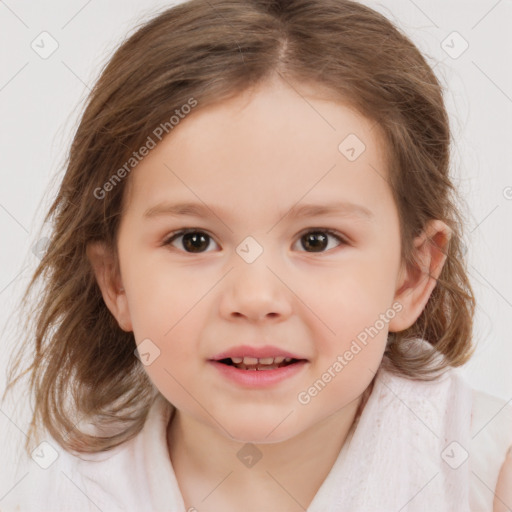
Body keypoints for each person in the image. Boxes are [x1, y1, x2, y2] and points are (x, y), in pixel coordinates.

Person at [2, 0, 511, 510]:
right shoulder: (59, 488)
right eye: (193, 240)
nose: (255, 297)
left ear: (411, 277)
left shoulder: (486, 475)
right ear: (116, 282)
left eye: (317, 240)